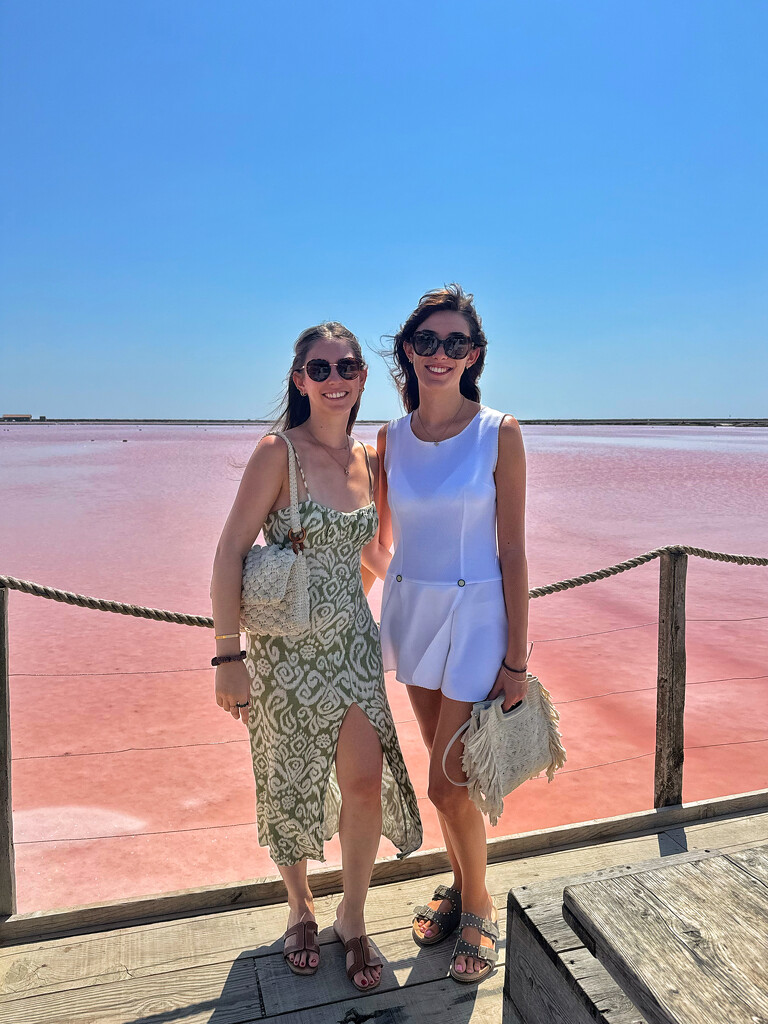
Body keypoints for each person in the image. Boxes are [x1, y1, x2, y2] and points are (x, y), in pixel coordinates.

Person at [211, 322, 422, 992]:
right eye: (320, 368)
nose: (335, 378)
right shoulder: (279, 453)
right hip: (283, 654)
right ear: (300, 379)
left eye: (347, 367)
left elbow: (372, 556)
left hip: (352, 647)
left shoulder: (370, 458)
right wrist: (227, 656)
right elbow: (229, 553)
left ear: (362, 378)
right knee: (288, 780)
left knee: (363, 779)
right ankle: (300, 905)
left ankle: (352, 917)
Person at [375, 285, 529, 984]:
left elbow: (514, 551)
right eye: (428, 342)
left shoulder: (501, 431)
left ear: (475, 355)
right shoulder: (389, 439)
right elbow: (380, 545)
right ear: (408, 349)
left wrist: (518, 658)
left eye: (456, 343)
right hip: (411, 614)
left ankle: (480, 905)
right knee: (447, 782)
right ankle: (458, 884)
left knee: (446, 786)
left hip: (476, 621)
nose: (441, 355)